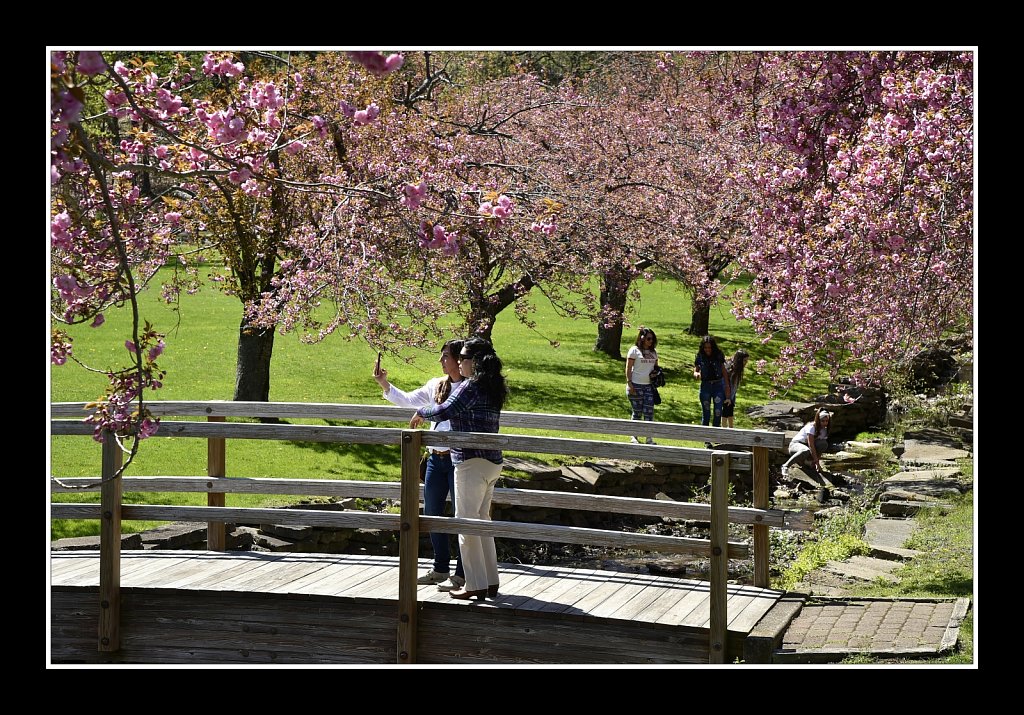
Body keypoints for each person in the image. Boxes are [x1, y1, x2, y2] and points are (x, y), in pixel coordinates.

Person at [411, 337, 508, 600]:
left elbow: (445, 410)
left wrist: (421, 411)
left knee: (465, 523)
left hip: (469, 462)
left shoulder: (471, 386)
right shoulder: (493, 385)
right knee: (482, 522)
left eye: (463, 358)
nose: (460, 362)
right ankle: (490, 580)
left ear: (473, 362)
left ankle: (474, 584)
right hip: (492, 463)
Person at [374, 340, 466, 592]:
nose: (440, 360)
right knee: (432, 513)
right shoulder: (437, 385)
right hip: (436, 459)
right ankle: (440, 568)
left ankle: (462, 572)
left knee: (461, 516)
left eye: (445, 356)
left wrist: (426, 412)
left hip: (459, 459)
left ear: (459, 359)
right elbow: (407, 400)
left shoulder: (469, 388)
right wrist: (384, 383)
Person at [626, 327, 660, 444]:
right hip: (636, 384)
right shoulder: (634, 351)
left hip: (649, 386)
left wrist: (656, 374)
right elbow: (628, 368)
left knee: (649, 412)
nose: (650, 341)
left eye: (652, 339)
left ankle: (649, 438)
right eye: (648, 339)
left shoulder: (654, 353)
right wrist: (629, 383)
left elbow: (656, 367)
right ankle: (634, 436)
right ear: (642, 338)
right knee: (637, 411)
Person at [693, 335, 731, 430]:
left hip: (718, 385)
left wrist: (726, 386)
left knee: (718, 412)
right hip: (705, 386)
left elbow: (724, 371)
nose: (707, 350)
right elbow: (696, 368)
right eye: (705, 348)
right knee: (706, 412)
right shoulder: (700, 355)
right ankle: (706, 438)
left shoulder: (718, 355)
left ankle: (715, 435)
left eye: (709, 348)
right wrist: (696, 373)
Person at [781, 408, 832, 473]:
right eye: (823, 421)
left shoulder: (824, 430)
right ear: (818, 420)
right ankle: (785, 466)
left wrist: (816, 462)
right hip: (796, 445)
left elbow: (820, 448)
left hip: (807, 448)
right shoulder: (811, 427)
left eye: (826, 421)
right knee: (805, 450)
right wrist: (817, 462)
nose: (825, 423)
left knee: (823, 444)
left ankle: (808, 462)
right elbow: (811, 446)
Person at [721, 349, 749, 429]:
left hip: (732, 395)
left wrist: (732, 398)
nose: (746, 363)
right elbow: (727, 384)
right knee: (725, 412)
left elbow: (735, 386)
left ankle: (731, 429)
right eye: (744, 361)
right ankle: (724, 432)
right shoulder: (731, 369)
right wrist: (728, 397)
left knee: (730, 412)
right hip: (726, 394)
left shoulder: (738, 369)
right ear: (739, 360)